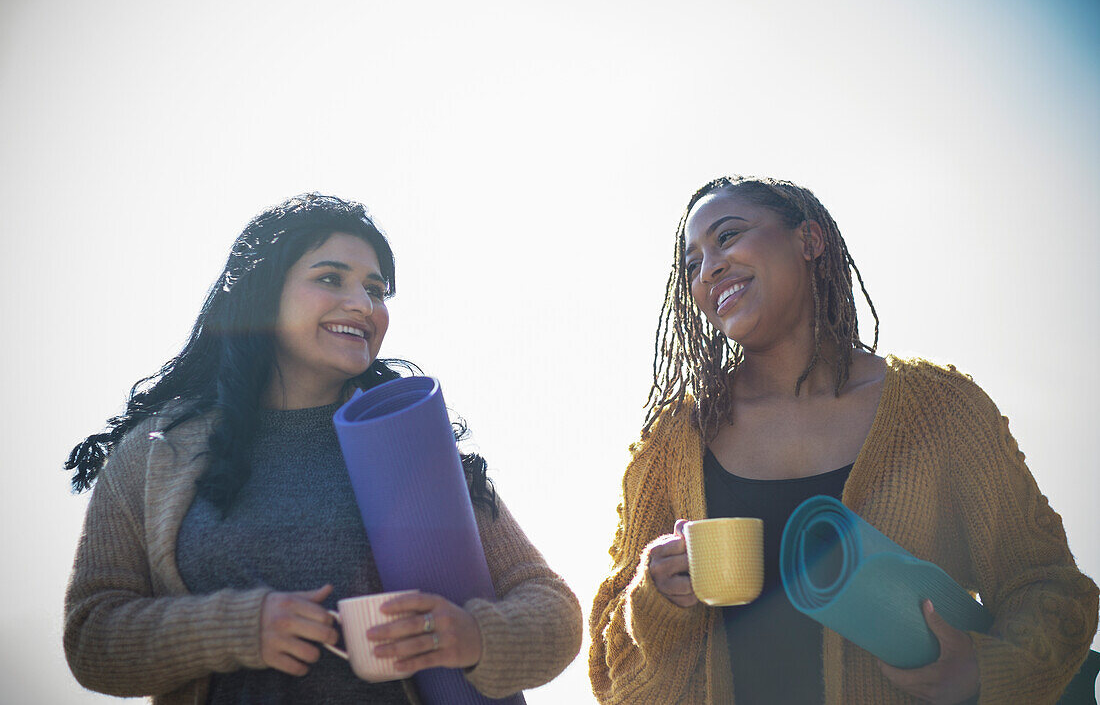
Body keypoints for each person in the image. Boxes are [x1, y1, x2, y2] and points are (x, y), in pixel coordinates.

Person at [588, 175, 1098, 704]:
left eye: (729, 236)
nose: (709, 268)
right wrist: (655, 602)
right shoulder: (672, 445)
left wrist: (984, 670)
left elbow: (1046, 582)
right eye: (691, 265)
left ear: (809, 241)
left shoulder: (942, 409)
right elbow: (611, 678)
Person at [64, 193, 582, 705]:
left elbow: (554, 612)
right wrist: (238, 628)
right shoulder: (155, 455)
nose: (363, 305)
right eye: (330, 279)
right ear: (262, 294)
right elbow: (91, 639)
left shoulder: (412, 442)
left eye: (376, 290)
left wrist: (473, 635)